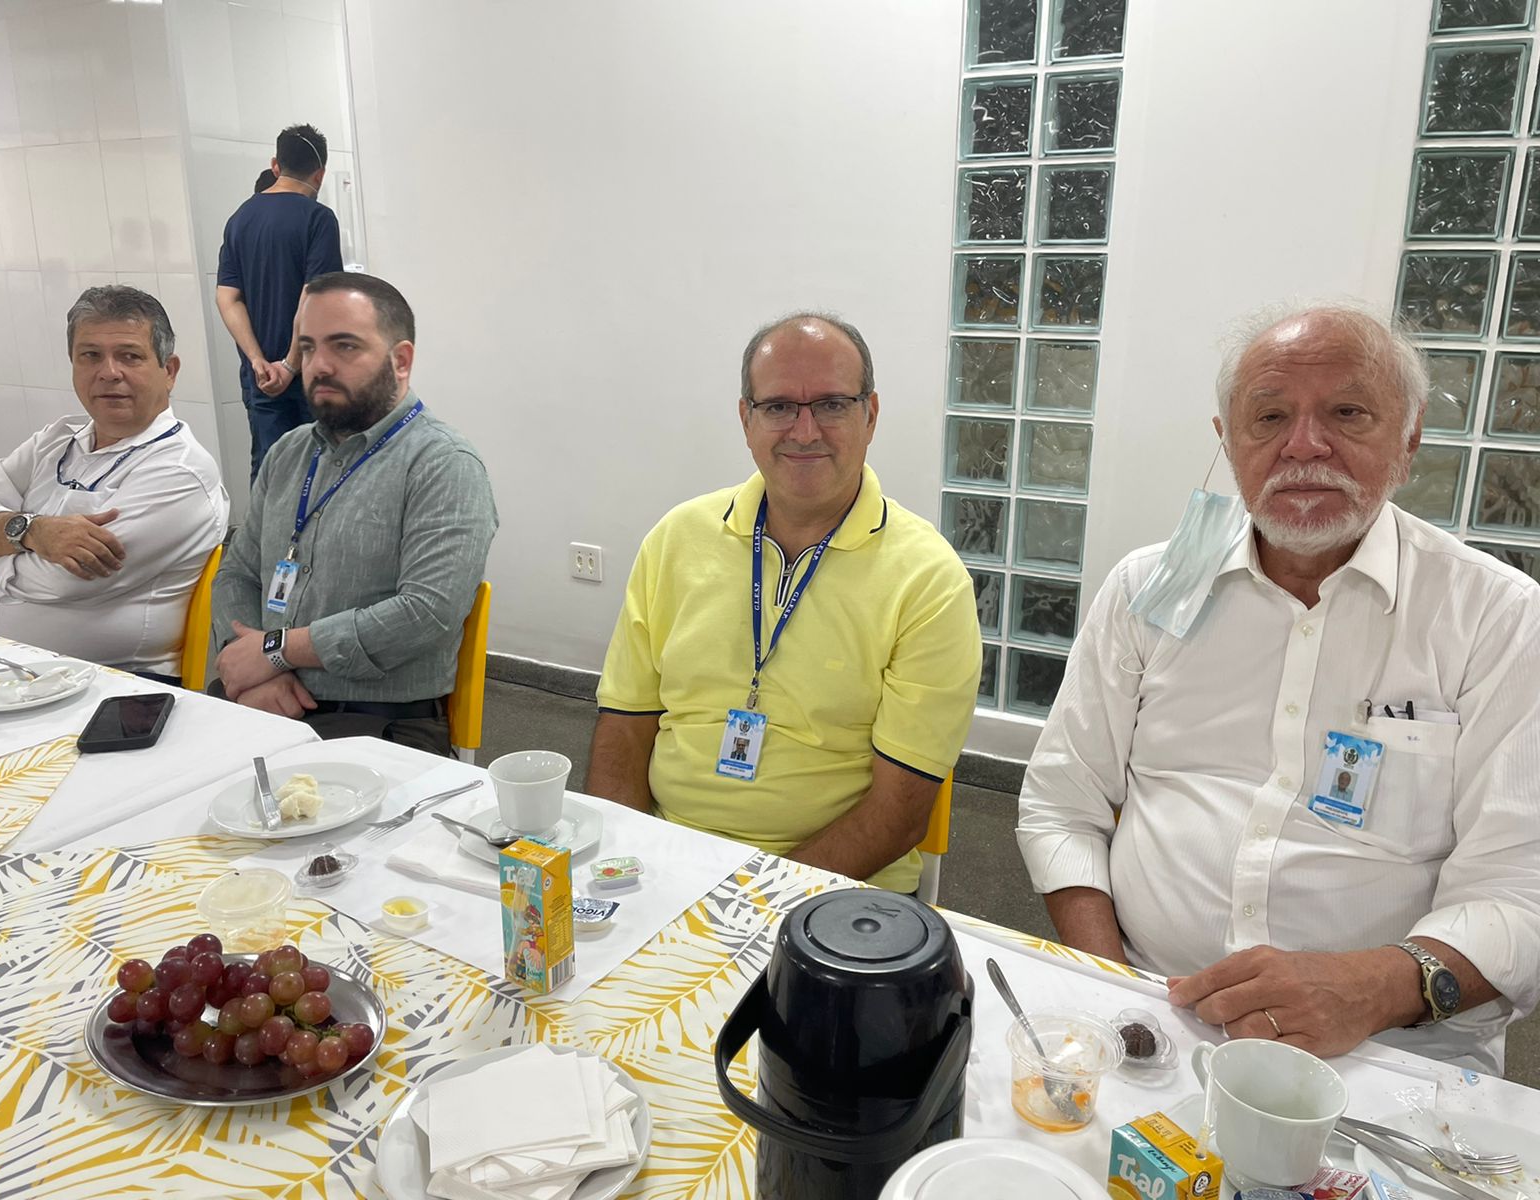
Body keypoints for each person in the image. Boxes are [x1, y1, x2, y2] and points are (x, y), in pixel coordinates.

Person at [1016, 305, 1540, 1071]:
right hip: (1152, 1007)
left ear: (1410, 436)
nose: (1304, 445)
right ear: (1228, 442)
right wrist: (1116, 990)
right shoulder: (1147, 588)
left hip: (1388, 1046)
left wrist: (1372, 990)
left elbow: (1521, 891)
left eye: (1347, 412)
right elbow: (1061, 804)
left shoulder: (1498, 619)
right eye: (1269, 417)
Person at [586, 313, 981, 892]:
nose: (804, 431)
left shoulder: (929, 581)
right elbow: (624, 726)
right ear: (746, 419)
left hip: (830, 894)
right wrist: (619, 862)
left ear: (870, 415)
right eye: (778, 407)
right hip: (666, 861)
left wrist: (749, 899)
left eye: (832, 404)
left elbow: (897, 814)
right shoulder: (676, 539)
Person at [210, 271, 497, 755]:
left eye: (344, 346)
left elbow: (425, 613)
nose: (319, 365)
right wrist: (252, 668)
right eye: (307, 347)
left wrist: (277, 651)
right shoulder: (288, 453)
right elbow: (237, 573)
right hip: (256, 699)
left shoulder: (443, 464)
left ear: (400, 360)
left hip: (375, 723)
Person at [0, 286, 227, 680]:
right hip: (2, 671)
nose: (109, 372)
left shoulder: (181, 472)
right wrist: (31, 532)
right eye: (90, 355)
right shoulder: (55, 440)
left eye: (129, 356)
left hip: (108, 688)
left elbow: (59, 582)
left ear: (169, 371)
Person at [215, 122, 344, 480]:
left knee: (271, 472)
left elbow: (227, 297)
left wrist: (257, 360)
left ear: (275, 165)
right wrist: (290, 364)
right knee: (317, 475)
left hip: (261, 378)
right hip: (310, 373)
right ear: (320, 174)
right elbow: (314, 297)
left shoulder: (240, 218)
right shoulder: (318, 219)